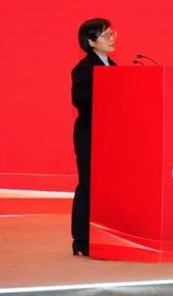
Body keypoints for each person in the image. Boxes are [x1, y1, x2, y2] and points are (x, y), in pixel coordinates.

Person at [70, 18, 117, 256]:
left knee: (111, 187)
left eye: (112, 33)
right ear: (90, 42)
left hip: (112, 136)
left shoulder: (115, 68)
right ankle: (81, 240)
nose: (112, 38)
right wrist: (106, 86)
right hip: (90, 134)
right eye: (105, 35)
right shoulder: (83, 69)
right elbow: (79, 100)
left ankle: (108, 235)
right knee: (89, 184)